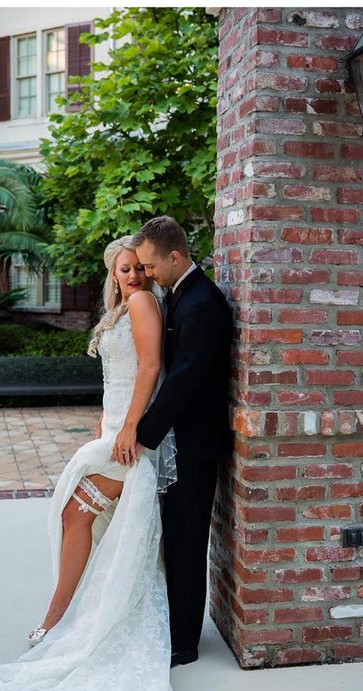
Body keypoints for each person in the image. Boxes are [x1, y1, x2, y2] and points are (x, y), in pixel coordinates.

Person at [0, 236, 177, 691]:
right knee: (82, 516)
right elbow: (117, 376)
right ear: (113, 273)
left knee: (76, 513)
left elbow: (150, 369)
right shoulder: (121, 310)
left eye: (140, 268)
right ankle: (79, 608)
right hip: (114, 433)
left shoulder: (142, 302)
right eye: (125, 269)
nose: (134, 276)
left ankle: (56, 618)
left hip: (133, 439)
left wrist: (130, 429)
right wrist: (108, 422)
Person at [129, 215, 232, 667]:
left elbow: (186, 379)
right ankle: (174, 627)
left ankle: (183, 644)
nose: (147, 274)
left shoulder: (204, 302)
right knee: (174, 539)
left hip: (195, 444)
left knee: (187, 542)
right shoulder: (175, 294)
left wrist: (141, 435)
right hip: (178, 441)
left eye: (151, 266)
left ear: (175, 257)